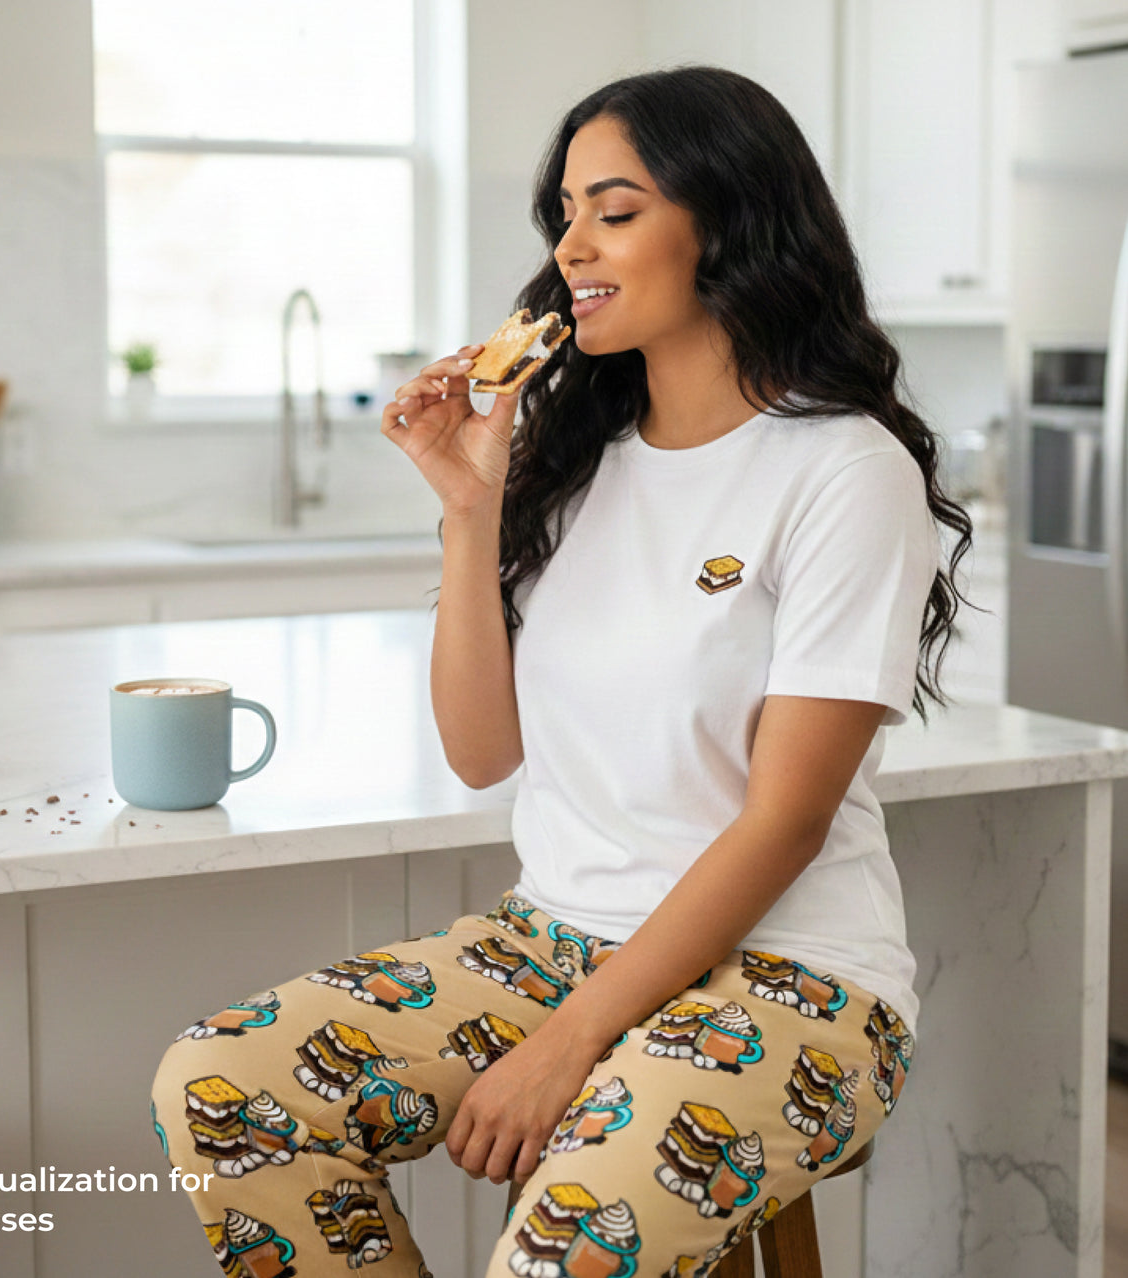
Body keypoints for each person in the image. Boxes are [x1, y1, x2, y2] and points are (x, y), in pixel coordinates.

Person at [150, 66, 972, 1277]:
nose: (570, 245)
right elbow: (482, 750)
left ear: (729, 221)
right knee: (223, 1087)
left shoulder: (842, 471)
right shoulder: (577, 459)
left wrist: (571, 1042)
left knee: (560, 1248)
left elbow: (785, 822)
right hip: (552, 941)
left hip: (794, 984)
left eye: (614, 210)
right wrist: (468, 506)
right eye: (565, 213)